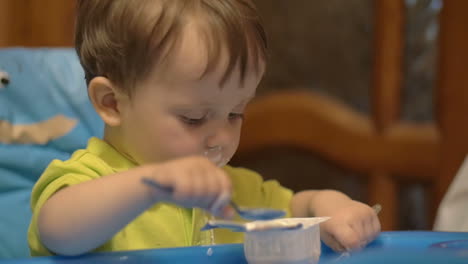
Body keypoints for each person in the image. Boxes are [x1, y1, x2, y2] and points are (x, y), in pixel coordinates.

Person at [28, 0, 380, 257]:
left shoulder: (231, 191)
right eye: (194, 118)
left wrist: (331, 206)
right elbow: (58, 231)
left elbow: (295, 209)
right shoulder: (87, 180)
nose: (222, 137)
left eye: (236, 113)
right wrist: (147, 189)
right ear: (112, 103)